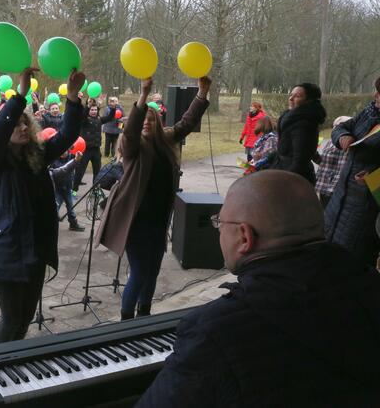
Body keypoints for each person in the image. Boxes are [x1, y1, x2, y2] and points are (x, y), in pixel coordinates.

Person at [138, 170, 380, 407]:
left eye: (219, 223)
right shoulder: (369, 284)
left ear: (245, 236)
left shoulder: (215, 331)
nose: (219, 231)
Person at [0, 68, 83, 344]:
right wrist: (20, 95)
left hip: (36, 247)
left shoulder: (37, 155)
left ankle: (14, 365)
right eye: (15, 124)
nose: (21, 128)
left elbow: (67, 134)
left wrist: (74, 97)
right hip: (6, 249)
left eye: (25, 124)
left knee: (26, 318)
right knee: (11, 319)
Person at [96, 76, 211, 320]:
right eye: (143, 120)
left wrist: (202, 93)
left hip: (159, 220)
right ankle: (126, 320)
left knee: (153, 270)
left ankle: (144, 314)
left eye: (151, 119)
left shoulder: (165, 140)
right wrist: (143, 96)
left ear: (158, 122)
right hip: (135, 221)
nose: (146, 123)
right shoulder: (132, 147)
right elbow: (131, 130)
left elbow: (186, 124)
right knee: (139, 271)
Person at [325, 77, 380, 268]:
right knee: (330, 249)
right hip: (341, 196)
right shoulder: (370, 112)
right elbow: (341, 127)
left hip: (367, 207)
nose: (376, 96)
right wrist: (342, 137)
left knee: (351, 261)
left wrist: (373, 178)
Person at [270, 83, 327, 183]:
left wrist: (287, 180)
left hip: (293, 175)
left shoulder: (304, 124)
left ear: (309, 101)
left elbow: (301, 159)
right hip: (282, 167)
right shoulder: (292, 118)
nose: (291, 99)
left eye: (297, 96)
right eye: (291, 95)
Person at [73, 101, 114, 193]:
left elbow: (110, 117)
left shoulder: (99, 119)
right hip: (85, 150)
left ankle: (95, 189)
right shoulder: (84, 120)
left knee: (97, 172)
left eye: (95, 110)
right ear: (89, 110)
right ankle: (74, 190)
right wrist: (87, 107)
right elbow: (83, 115)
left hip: (96, 150)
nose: (94, 111)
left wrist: (113, 108)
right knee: (80, 171)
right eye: (92, 110)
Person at [314, 116, 351, 208]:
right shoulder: (330, 142)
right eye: (334, 125)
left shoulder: (348, 143)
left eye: (339, 126)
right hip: (324, 187)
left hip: (336, 189)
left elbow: (342, 167)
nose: (335, 128)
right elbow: (324, 162)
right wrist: (313, 154)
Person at [50, 150, 85, 232]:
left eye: (65, 150)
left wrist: (78, 158)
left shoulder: (71, 157)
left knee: (70, 207)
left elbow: (77, 165)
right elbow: (60, 171)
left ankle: (73, 223)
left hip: (68, 188)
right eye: (62, 151)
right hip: (58, 189)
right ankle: (51, 224)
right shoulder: (54, 160)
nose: (63, 152)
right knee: (55, 207)